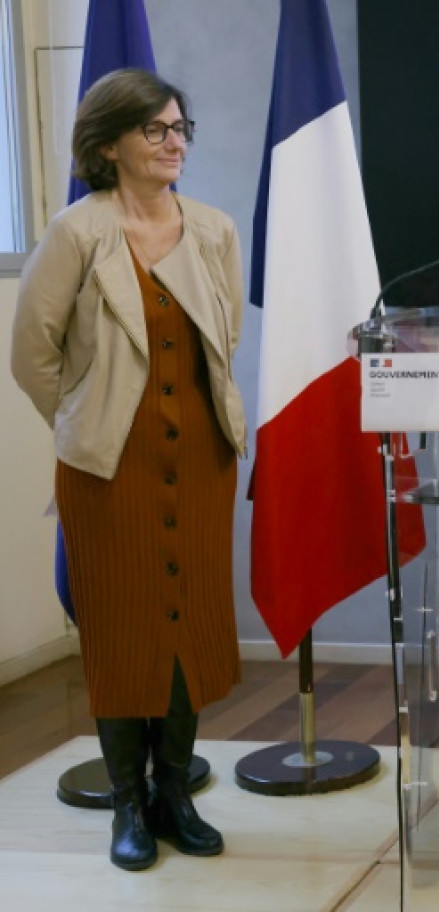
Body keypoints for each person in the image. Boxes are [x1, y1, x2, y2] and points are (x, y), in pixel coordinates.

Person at [10, 69, 246, 872]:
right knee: (121, 632)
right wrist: (87, 421)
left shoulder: (212, 228)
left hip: (203, 457)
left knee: (186, 625)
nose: (174, 142)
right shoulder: (77, 232)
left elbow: (226, 337)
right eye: (156, 130)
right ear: (108, 145)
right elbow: (31, 356)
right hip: (109, 468)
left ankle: (174, 793)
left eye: (181, 128)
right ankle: (127, 803)